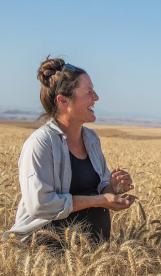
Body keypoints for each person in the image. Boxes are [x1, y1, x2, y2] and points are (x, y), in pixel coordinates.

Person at [4, 57, 135, 244]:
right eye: (89, 92)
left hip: (88, 252)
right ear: (63, 101)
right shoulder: (41, 143)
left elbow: (100, 189)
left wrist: (113, 187)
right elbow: (41, 204)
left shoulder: (91, 139)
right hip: (46, 247)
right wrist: (99, 201)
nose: (96, 98)